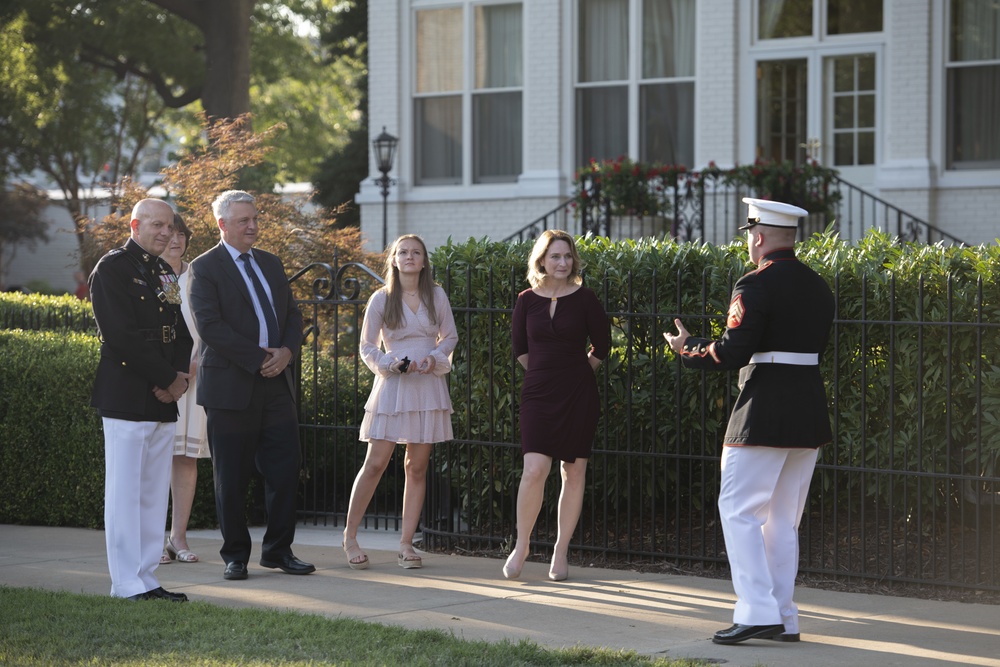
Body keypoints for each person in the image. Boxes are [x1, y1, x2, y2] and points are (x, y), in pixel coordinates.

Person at [663, 197, 835, 645]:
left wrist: (688, 349)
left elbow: (732, 350)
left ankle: (757, 611)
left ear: (757, 237)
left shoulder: (754, 283)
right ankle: (783, 616)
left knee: (738, 510)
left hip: (763, 412)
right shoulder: (819, 286)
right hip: (808, 412)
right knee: (782, 521)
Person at [188, 190, 313, 581]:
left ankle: (278, 551)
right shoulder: (204, 267)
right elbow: (210, 327)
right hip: (230, 388)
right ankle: (235, 556)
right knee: (232, 476)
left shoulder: (272, 264)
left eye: (255, 218)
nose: (253, 226)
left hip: (277, 385)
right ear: (222, 224)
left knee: (285, 470)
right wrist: (261, 357)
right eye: (244, 220)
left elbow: (293, 314)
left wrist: (287, 353)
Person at [89, 198, 192, 601]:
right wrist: (167, 377)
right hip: (127, 395)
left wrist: (177, 381)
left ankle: (148, 577)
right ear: (134, 225)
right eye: (156, 225)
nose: (165, 233)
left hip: (162, 397)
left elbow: (180, 333)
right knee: (125, 493)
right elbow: (120, 337)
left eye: (170, 226)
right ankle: (125, 583)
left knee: (152, 493)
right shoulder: (112, 269)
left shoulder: (162, 270)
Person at [342, 234, 458, 570]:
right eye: (403, 252)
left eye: (416, 252)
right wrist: (388, 364)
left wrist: (435, 357)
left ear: (424, 261)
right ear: (394, 259)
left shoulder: (436, 295)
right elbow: (366, 346)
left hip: (427, 385)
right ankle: (350, 537)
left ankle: (407, 545)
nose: (409, 257)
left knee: (417, 467)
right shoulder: (381, 298)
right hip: (393, 387)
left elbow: (450, 335)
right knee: (376, 462)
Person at [504, 230, 610, 582]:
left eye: (567, 257)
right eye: (555, 257)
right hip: (538, 392)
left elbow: (602, 346)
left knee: (573, 471)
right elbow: (520, 349)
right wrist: (544, 373)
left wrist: (578, 374)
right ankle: (522, 545)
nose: (563, 263)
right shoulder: (525, 300)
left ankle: (561, 550)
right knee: (534, 469)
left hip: (578, 393)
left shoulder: (586, 298)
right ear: (542, 261)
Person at [159, 213, 210, 565]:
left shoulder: (200, 274)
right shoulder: (147, 276)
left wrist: (194, 367)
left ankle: (177, 537)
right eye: (170, 233)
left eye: (181, 234)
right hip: (159, 381)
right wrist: (167, 372)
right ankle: (150, 540)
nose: (176, 240)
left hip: (195, 378)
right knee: (154, 459)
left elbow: (211, 324)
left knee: (185, 457)